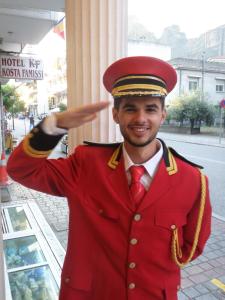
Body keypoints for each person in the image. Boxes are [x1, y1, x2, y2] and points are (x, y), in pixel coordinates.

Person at [7, 56, 212, 300]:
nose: (140, 119)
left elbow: (191, 248)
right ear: (115, 115)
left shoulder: (192, 180)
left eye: (150, 109)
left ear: (163, 115)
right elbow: (21, 170)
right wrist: (53, 127)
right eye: (130, 109)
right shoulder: (86, 164)